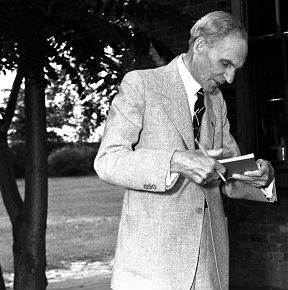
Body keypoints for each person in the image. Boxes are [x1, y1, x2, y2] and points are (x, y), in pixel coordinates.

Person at [94, 11, 276, 290]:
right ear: (200, 45)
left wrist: (262, 179)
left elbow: (227, 170)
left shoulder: (216, 101)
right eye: (225, 64)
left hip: (208, 265)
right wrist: (174, 161)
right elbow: (108, 160)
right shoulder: (141, 84)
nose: (229, 78)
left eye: (235, 69)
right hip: (152, 267)